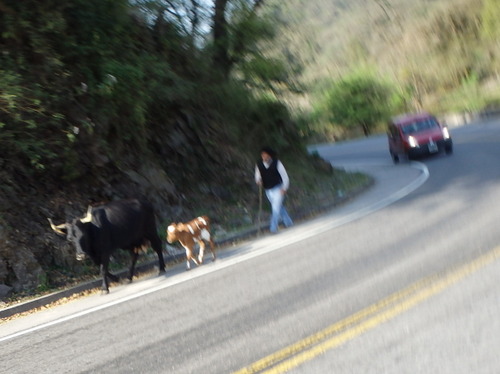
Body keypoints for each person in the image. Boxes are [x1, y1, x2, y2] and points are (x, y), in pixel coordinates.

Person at [255, 146, 293, 233]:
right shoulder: (259, 164)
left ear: (269, 155)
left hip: (278, 188)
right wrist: (258, 181)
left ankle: (273, 227)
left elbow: (284, 176)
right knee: (279, 206)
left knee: (275, 208)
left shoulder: (277, 163)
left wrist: (284, 188)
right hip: (268, 190)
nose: (263, 156)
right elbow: (257, 176)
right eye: (262, 155)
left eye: (265, 154)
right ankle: (288, 222)